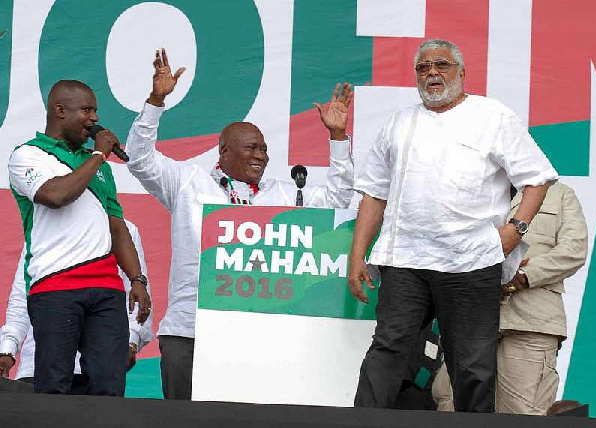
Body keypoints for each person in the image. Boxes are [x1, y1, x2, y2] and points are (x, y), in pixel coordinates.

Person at [126, 49, 355, 399]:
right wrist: (156, 100)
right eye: (251, 147)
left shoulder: (284, 194)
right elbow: (139, 159)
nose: (260, 155)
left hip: (254, 331)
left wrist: (338, 138)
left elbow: (338, 201)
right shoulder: (188, 184)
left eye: (263, 148)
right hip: (190, 329)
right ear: (223, 152)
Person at [348, 39, 558, 412]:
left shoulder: (493, 116)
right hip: (404, 260)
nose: (431, 73)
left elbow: (537, 178)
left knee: (472, 365)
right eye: (423, 67)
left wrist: (515, 231)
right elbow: (374, 193)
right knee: (388, 349)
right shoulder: (399, 122)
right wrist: (357, 254)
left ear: (461, 72)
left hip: (470, 260)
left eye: (441, 65)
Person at [7, 80, 151, 395]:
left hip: (107, 290)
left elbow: (117, 227)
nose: (93, 119)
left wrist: (136, 278)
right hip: (55, 287)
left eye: (95, 111)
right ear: (60, 110)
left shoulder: (100, 167)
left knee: (108, 389)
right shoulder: (27, 155)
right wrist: (98, 155)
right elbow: (56, 195)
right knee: (54, 388)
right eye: (86, 110)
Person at [432, 182, 588, 415]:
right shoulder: (469, 186)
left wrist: (523, 276)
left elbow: (574, 249)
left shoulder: (560, 193)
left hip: (531, 321)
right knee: (452, 408)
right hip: (469, 322)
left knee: (519, 414)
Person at [0, 220, 154, 387]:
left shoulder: (122, 228)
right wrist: (8, 348)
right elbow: (22, 296)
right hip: (38, 365)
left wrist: (131, 341)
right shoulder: (41, 226)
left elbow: (134, 293)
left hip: (97, 370)